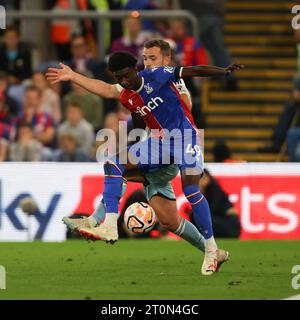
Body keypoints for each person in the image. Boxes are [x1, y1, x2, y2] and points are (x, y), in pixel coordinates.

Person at [47, 44, 243, 274]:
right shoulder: (128, 96)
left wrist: (223, 71)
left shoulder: (158, 75)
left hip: (185, 138)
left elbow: (192, 70)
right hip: (159, 144)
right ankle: (105, 223)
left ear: (136, 69)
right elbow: (110, 94)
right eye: (119, 78)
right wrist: (73, 76)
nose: (125, 81)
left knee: (191, 190)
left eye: (127, 75)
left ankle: (211, 249)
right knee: (118, 168)